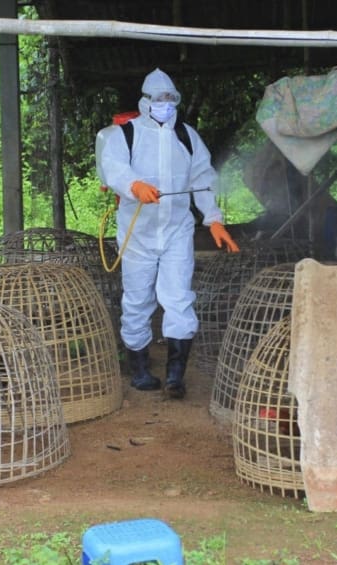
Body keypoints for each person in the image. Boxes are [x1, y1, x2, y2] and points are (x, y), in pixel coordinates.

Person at [95, 68, 240, 399]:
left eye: (170, 100)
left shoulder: (187, 136)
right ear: (145, 102)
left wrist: (213, 219)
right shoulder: (125, 135)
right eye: (158, 100)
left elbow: (202, 177)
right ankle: (140, 370)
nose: (164, 105)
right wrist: (134, 185)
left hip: (176, 230)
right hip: (138, 233)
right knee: (137, 299)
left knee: (178, 298)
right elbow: (114, 167)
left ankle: (176, 376)